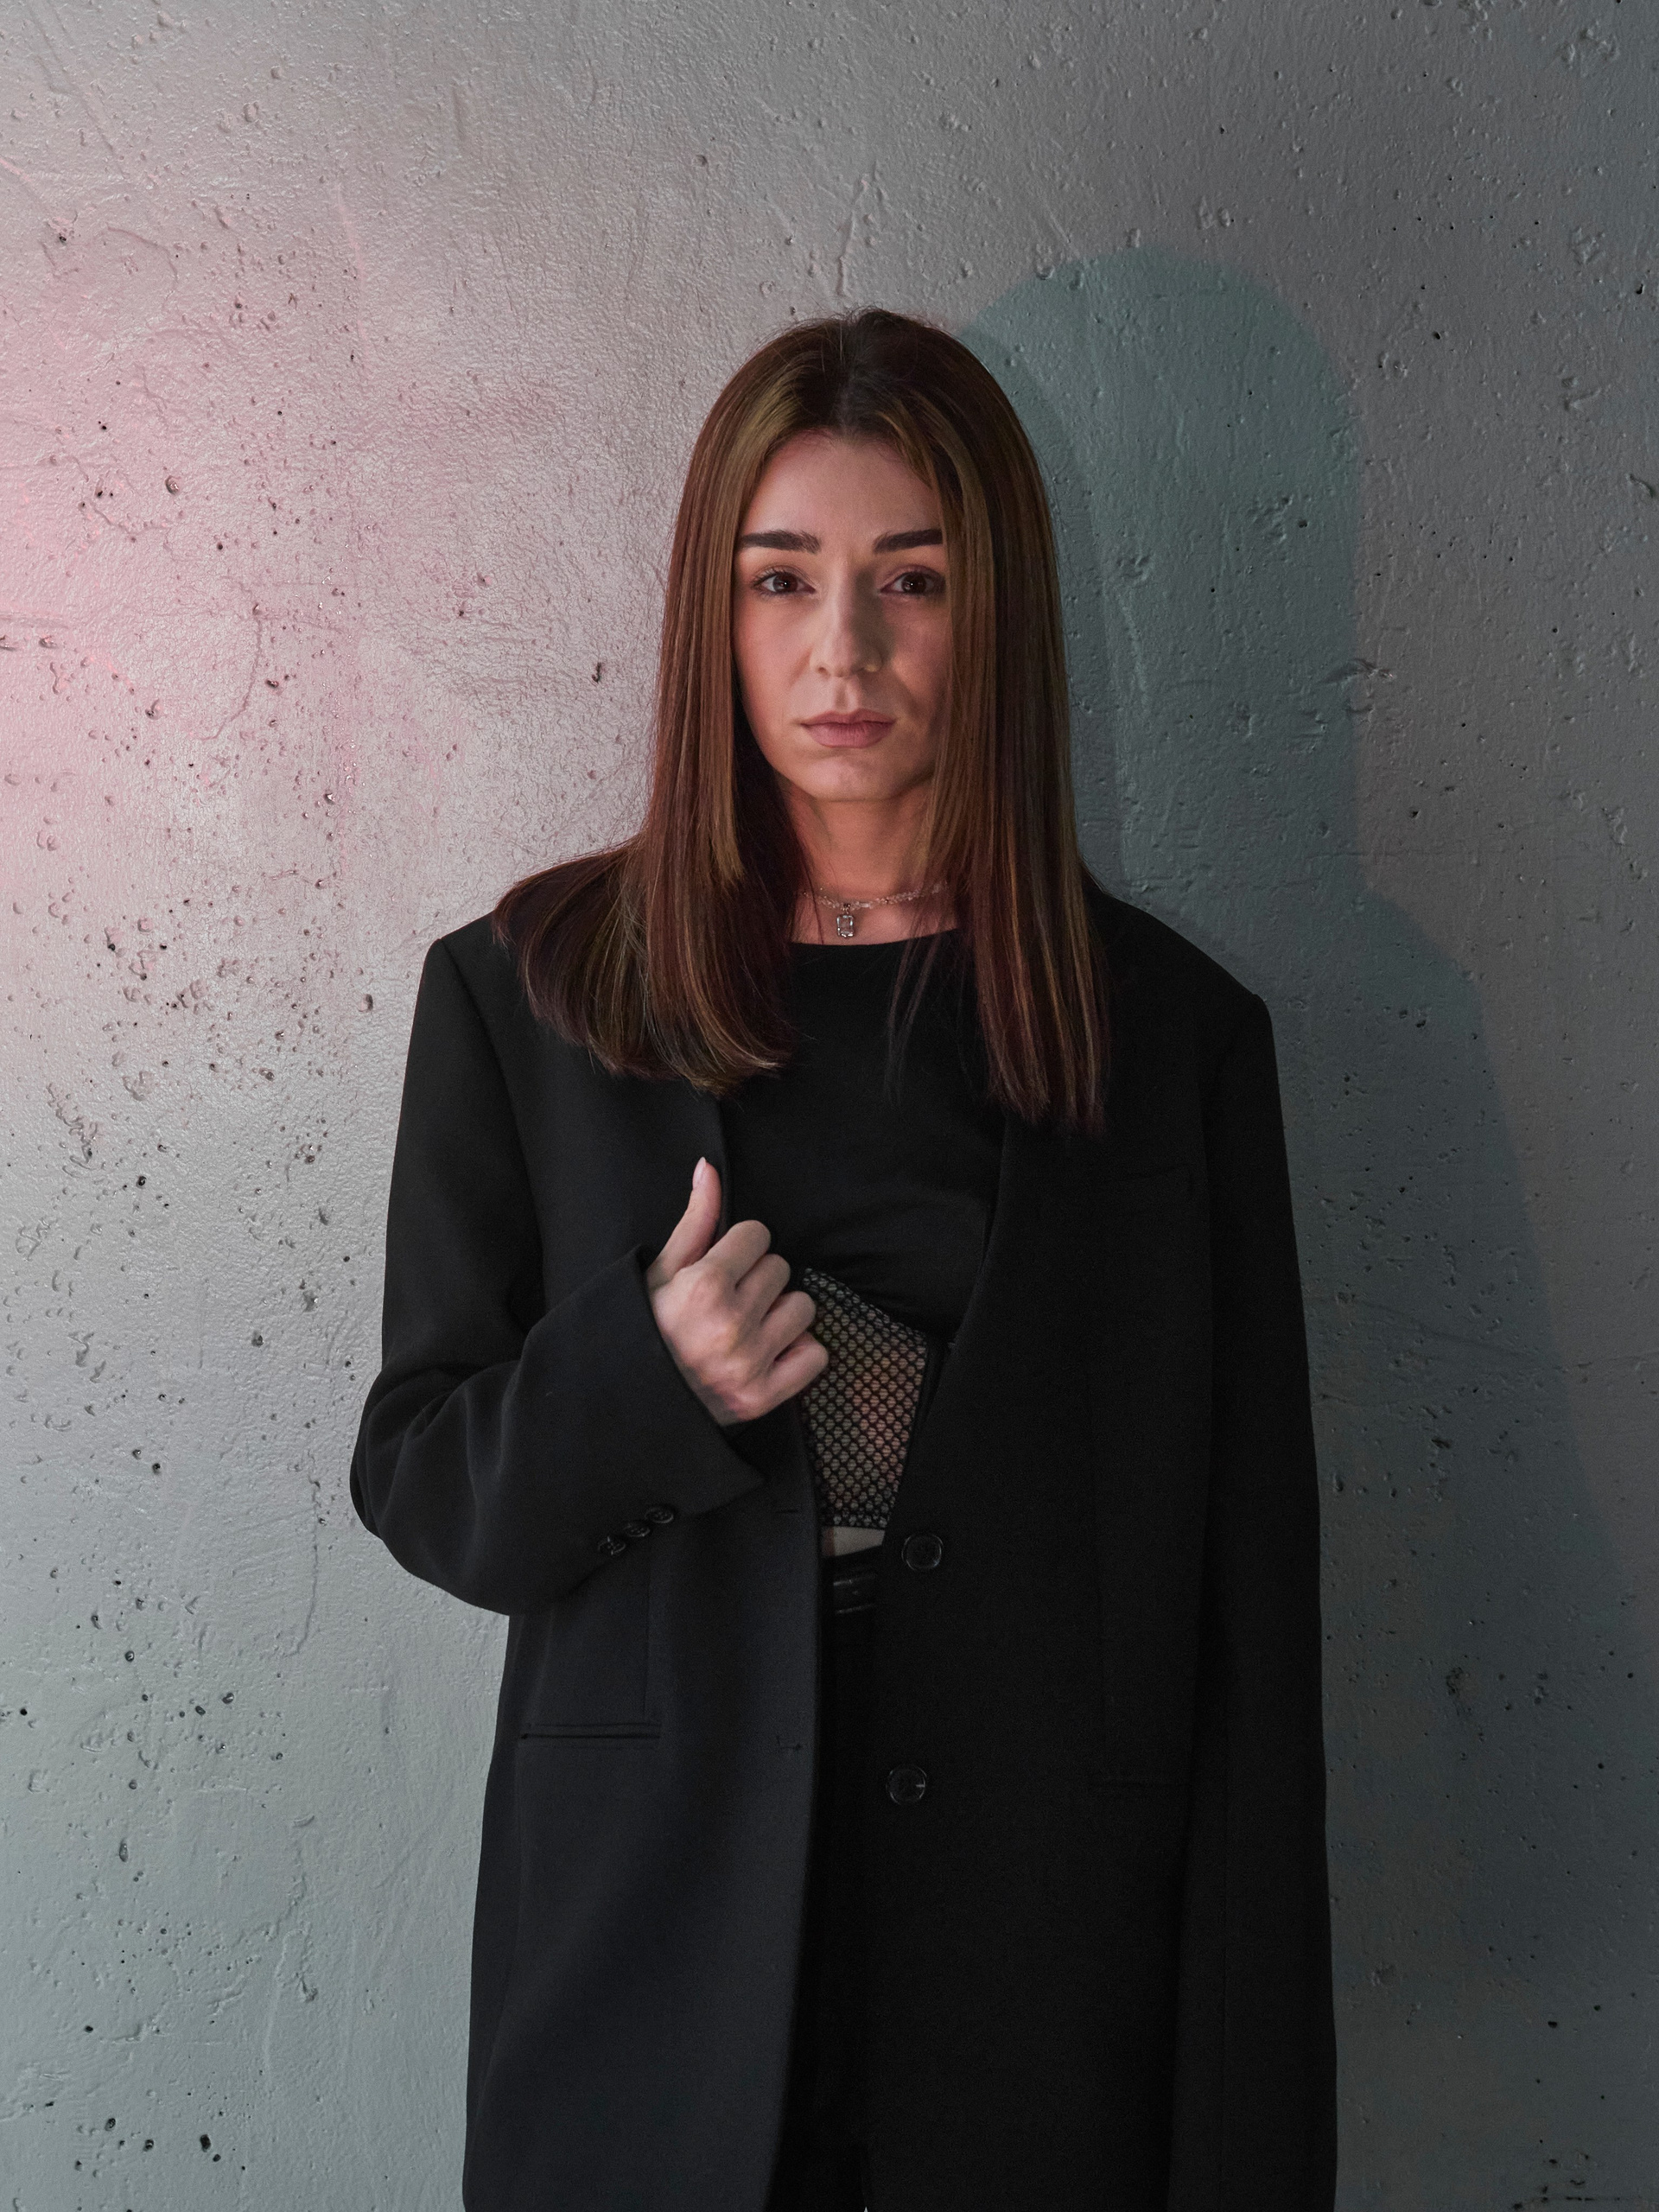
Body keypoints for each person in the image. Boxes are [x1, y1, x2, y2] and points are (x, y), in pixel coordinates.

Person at [349, 307, 1337, 2212]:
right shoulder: (525, 997)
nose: (844, 653)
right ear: (713, 613)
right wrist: (648, 1376)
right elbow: (426, 1484)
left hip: (1045, 1978)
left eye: (914, 581)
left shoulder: (1175, 1039)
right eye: (782, 577)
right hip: (647, 1967)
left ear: (998, 614)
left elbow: (1245, 1624)